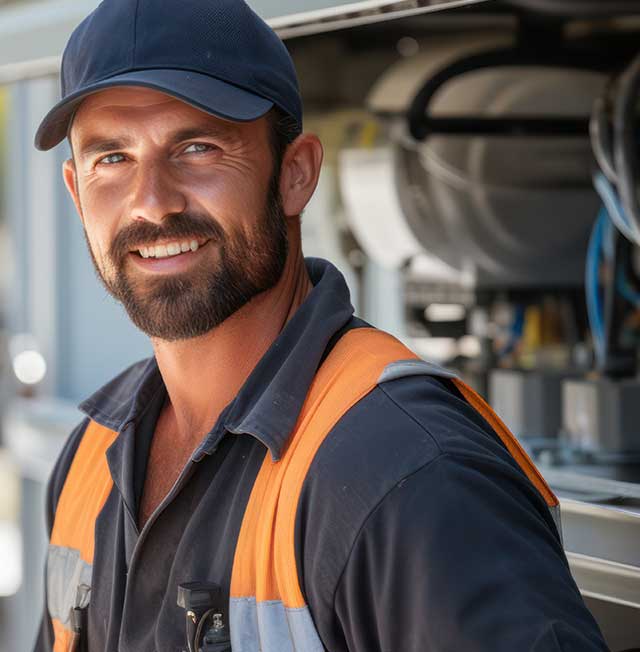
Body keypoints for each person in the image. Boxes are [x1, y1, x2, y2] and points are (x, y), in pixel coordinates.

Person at [32, 1, 609, 651]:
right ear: (77, 194)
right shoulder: (91, 460)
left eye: (196, 147)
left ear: (295, 174)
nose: (151, 202)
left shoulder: (403, 470)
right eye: (112, 159)